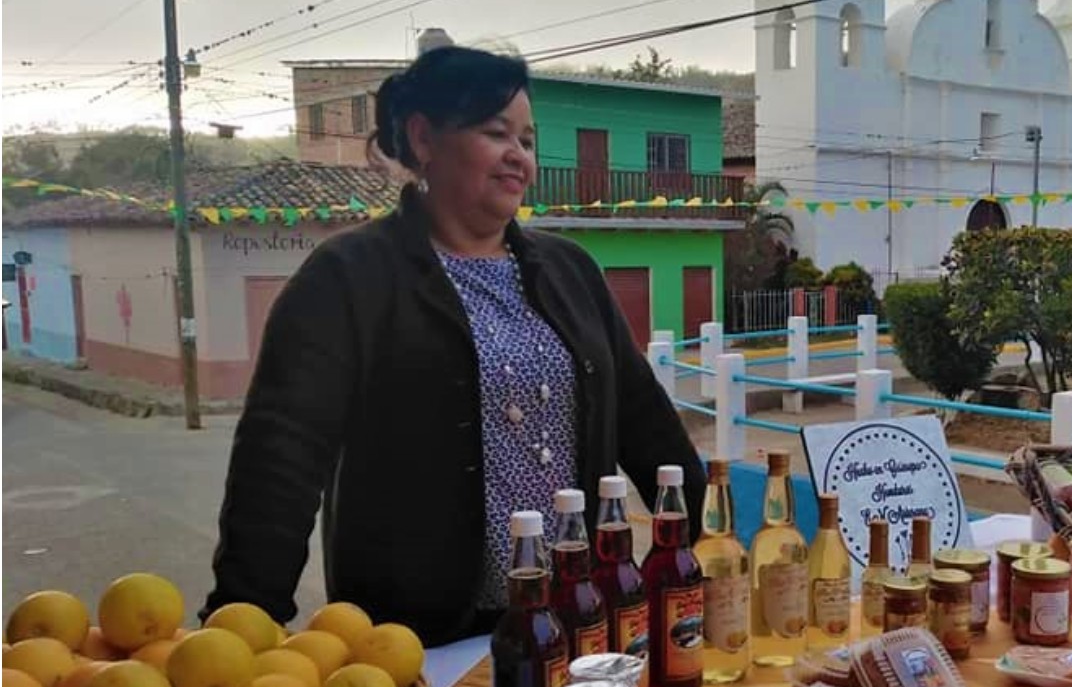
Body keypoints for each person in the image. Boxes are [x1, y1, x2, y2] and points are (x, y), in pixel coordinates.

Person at [203, 46, 706, 646]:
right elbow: (280, 461)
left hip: (577, 623)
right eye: (497, 133)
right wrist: (242, 630)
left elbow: (644, 421)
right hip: (416, 641)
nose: (519, 156)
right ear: (423, 139)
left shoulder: (570, 270)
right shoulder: (349, 276)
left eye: (527, 139)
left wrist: (701, 551)